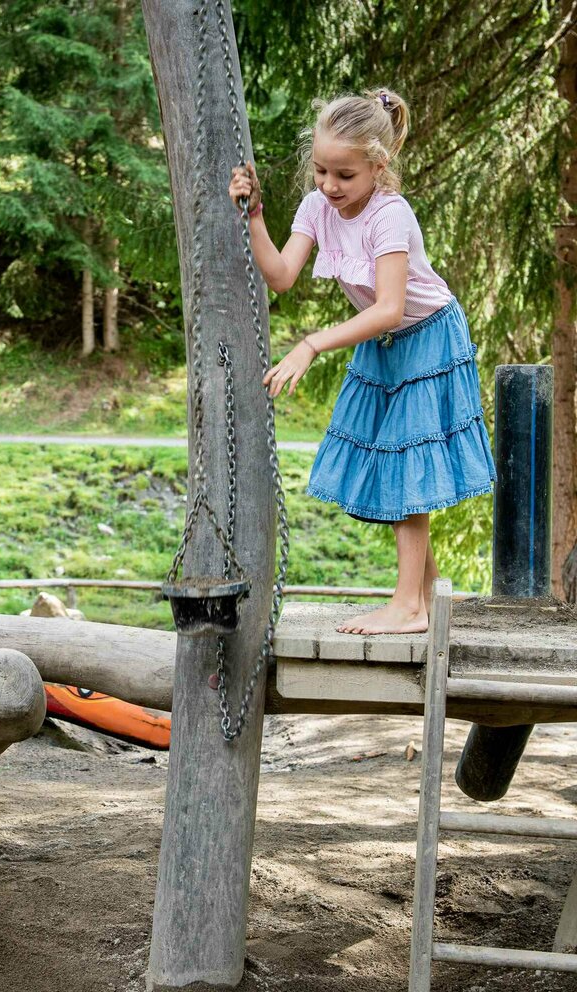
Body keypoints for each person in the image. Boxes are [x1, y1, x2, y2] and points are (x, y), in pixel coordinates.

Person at [227, 87, 495, 636]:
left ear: (379, 163)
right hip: (385, 341)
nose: (329, 185)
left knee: (404, 462)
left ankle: (408, 608)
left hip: (426, 336)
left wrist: (312, 342)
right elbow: (280, 275)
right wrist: (254, 215)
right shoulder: (317, 207)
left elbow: (392, 307)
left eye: (344, 175)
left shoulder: (390, 216)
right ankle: (422, 596)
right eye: (322, 170)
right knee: (385, 456)